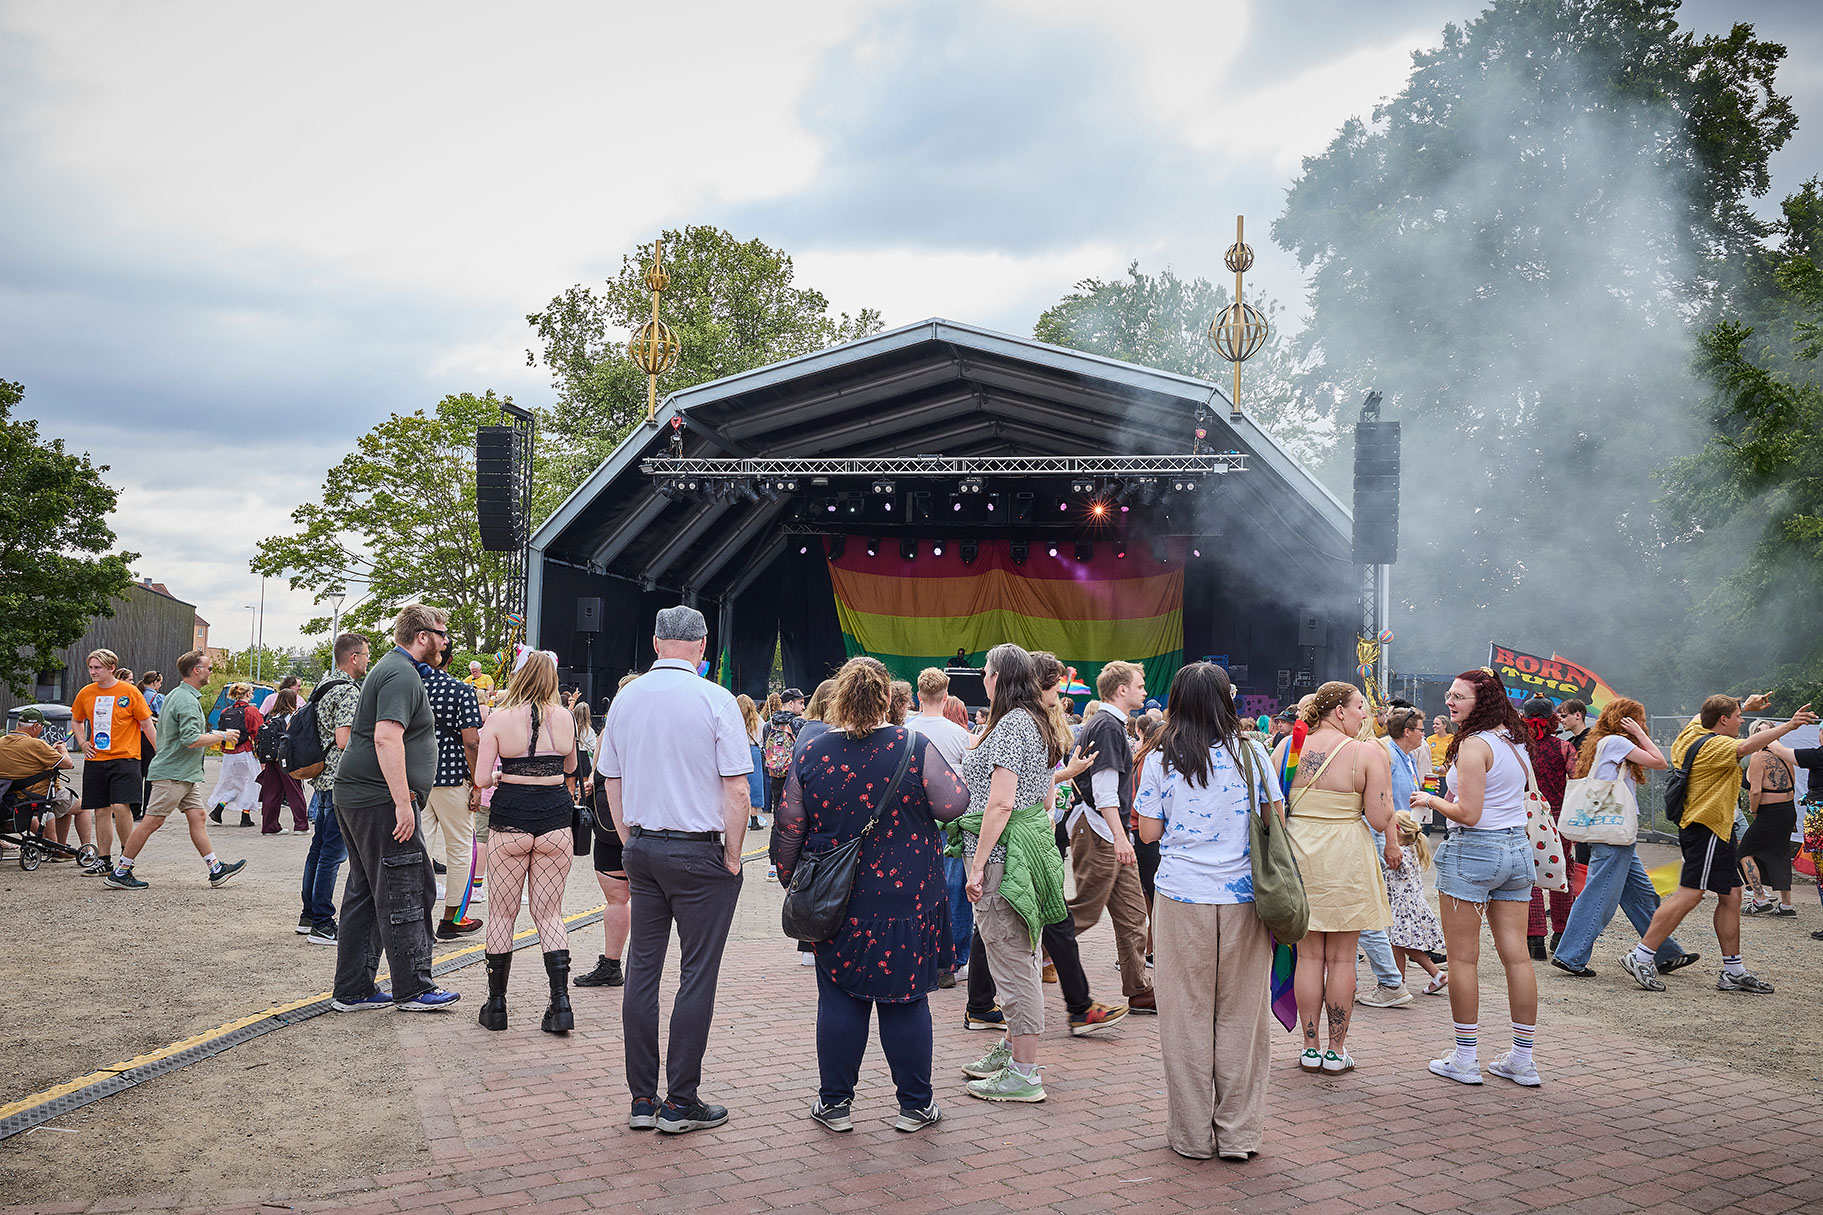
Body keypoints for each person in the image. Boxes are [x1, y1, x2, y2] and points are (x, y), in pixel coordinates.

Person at [773, 657, 968, 1133]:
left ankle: (835, 1105)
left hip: (837, 902)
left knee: (840, 1000)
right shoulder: (912, 746)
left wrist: (792, 879)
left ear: (840, 697)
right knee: (907, 1000)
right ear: (887, 698)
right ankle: (915, 1106)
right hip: (907, 899)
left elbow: (789, 826)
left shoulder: (812, 751)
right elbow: (953, 804)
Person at [599, 606, 753, 1135]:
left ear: (657, 642)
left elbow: (610, 780)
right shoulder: (716, 699)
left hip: (644, 847)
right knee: (696, 974)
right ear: (702, 645)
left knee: (642, 970)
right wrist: (733, 855)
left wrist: (630, 840)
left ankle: (642, 1098)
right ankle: (680, 1101)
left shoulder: (626, 698)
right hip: (698, 851)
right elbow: (737, 788)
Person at [1134, 662, 1280, 1160]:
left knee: (1184, 1015)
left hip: (1181, 896)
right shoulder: (1253, 753)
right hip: (1245, 899)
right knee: (1243, 1015)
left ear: (1176, 702)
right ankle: (1239, 1134)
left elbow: (1149, 832)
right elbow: (1275, 820)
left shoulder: (1161, 757)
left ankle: (1192, 1135)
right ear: (1226, 700)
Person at [1618, 693, 1815, 996]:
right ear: (1723, 720)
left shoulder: (1692, 732)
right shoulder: (1716, 745)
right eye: (1738, 717)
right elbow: (1746, 746)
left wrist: (1743, 705)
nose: (1741, 721)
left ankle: (1733, 971)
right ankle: (1641, 956)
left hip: (1715, 830)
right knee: (1690, 895)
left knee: (1732, 894)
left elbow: (1703, 715)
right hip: (1705, 829)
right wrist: (1789, 725)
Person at [1409, 668, 1544, 1087]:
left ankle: (1465, 1058)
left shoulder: (1474, 744)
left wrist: (1430, 799)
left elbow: (1468, 813)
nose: (1450, 702)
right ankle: (1522, 1059)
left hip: (1474, 849)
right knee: (1517, 957)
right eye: (1449, 695)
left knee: (1463, 959)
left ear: (1481, 701)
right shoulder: (1514, 740)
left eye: (1459, 697)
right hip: (1516, 849)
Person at [328, 605, 462, 1013]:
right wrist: (404, 804)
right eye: (442, 633)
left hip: (360, 796)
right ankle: (414, 987)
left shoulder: (390, 668)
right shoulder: (402, 673)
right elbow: (387, 737)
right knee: (406, 889)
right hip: (379, 799)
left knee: (367, 892)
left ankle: (354, 989)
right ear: (423, 636)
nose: (445, 642)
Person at [956, 643, 1069, 1103]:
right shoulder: (1032, 721)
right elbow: (1041, 798)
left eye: (986, 671)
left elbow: (1001, 804)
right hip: (1025, 852)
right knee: (1019, 954)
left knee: (1012, 959)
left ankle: (1024, 1071)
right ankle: (1012, 1051)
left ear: (998, 678)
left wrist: (977, 865)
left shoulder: (1011, 725)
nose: (982, 677)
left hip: (1004, 859)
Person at [1273, 681, 1394, 1075]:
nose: (1364, 715)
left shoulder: (1287, 747)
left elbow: (1270, 807)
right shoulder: (1366, 752)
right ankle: (1336, 1051)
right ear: (1340, 711)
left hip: (1298, 855)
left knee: (1308, 956)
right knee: (1342, 958)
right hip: (1346, 858)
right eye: (1360, 707)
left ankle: (1309, 1048)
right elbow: (1379, 818)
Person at [1549, 697, 1695, 978]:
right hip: (1612, 832)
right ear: (1625, 721)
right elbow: (1660, 762)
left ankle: (1665, 953)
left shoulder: (1602, 742)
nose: (1643, 724)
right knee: (1599, 896)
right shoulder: (1616, 742)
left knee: (1642, 894)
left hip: (1615, 833)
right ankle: (1570, 955)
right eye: (1639, 720)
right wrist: (1639, 733)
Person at [473, 649, 577, 1032]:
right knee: (550, 913)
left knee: (503, 914)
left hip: (510, 820)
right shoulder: (565, 717)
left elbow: (481, 779)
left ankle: (496, 1006)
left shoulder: (498, 718)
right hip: (555, 819)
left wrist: (501, 776)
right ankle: (560, 1004)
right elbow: (569, 766)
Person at [104, 650, 246, 890]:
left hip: (184, 773)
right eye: (209, 668)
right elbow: (190, 739)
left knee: (198, 816)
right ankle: (121, 871)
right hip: (173, 774)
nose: (211, 672)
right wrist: (223, 735)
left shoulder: (178, 694)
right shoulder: (186, 700)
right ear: (196, 671)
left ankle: (215, 869)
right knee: (152, 822)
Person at [1066, 660, 1156, 1012]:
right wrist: (1120, 837)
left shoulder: (1108, 724)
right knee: (1086, 910)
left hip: (1107, 830)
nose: (1144, 691)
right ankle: (1024, 959)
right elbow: (1104, 791)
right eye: (1139, 686)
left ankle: (1139, 989)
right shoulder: (1107, 726)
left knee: (1133, 914)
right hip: (1100, 830)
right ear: (1122, 690)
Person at [912, 668, 980, 987]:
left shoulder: (905, 731)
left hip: (913, 820)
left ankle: (919, 954)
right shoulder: (961, 736)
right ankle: (954, 959)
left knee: (915, 887)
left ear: (919, 694)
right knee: (954, 888)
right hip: (953, 822)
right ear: (946, 694)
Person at [298, 633, 367, 945]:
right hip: (340, 780)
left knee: (318, 848)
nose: (367, 661)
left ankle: (309, 915)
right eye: (365, 655)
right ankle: (323, 923)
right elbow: (344, 739)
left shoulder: (323, 684)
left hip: (321, 778)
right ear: (353, 657)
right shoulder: (348, 691)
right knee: (333, 853)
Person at [1357, 706, 1428, 1009]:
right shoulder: (1387, 754)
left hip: (1401, 835)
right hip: (1388, 835)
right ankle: (1391, 976)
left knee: (1389, 905)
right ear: (1407, 732)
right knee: (1382, 905)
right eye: (1421, 729)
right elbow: (1383, 801)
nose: (1424, 734)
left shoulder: (1407, 756)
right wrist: (1390, 842)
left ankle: (1391, 977)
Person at [577, 670, 642, 989]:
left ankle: (612, 965)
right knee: (649, 900)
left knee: (617, 900)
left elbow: (598, 772)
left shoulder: (610, 731)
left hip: (610, 826)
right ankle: (641, 970)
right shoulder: (656, 729)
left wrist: (591, 784)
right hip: (649, 827)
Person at [70, 649, 157, 874]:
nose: (92, 672)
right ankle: (104, 859)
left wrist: (160, 752)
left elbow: (147, 724)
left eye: (97, 667)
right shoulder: (86, 693)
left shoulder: (129, 691)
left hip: (125, 758)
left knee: (120, 806)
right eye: (90, 667)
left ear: (111, 668)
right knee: (101, 810)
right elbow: (76, 720)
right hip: (96, 758)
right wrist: (82, 742)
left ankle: (127, 857)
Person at [422, 641, 485, 939]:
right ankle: (452, 919)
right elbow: (471, 742)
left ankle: (416, 917)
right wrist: (477, 783)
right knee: (460, 849)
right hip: (452, 778)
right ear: (449, 660)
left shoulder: (413, 687)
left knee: (419, 849)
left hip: (417, 779)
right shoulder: (461, 690)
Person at [1516, 697, 1580, 959]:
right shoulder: (1565, 748)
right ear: (1552, 719)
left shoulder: (1516, 748)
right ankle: (1561, 934)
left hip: (1524, 818)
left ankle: (1534, 939)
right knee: (1561, 873)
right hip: (1557, 819)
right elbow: (1577, 781)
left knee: (1529, 875)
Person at [1741, 720, 1801, 916]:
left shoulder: (1758, 757)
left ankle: (1760, 899)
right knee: (1780, 854)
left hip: (1769, 812)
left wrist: (1753, 811)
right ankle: (1786, 905)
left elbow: (1755, 791)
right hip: (1787, 810)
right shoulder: (1785, 755)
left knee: (1744, 852)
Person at [1383, 811, 1448, 994]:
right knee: (1400, 945)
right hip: (1411, 906)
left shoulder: (1399, 855)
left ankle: (1400, 983)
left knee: (1398, 945)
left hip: (1402, 908)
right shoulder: (1412, 849)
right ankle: (1406, 980)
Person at [0, 708, 76, 844]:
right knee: (81, 807)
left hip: (8, 794)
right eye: (42, 726)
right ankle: (79, 848)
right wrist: (63, 750)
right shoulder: (36, 744)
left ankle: (54, 842)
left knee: (60, 805)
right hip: (37, 794)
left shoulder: (2, 742)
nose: (41, 730)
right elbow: (68, 764)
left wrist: (50, 750)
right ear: (35, 726)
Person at [255, 687, 310, 833]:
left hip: (271, 759)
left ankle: (269, 826)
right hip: (287, 759)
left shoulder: (271, 717)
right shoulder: (293, 716)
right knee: (295, 791)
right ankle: (301, 825)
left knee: (271, 792)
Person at [207, 684, 262, 829]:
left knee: (231, 783)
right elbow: (258, 732)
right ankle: (245, 816)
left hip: (229, 753)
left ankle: (218, 809)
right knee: (250, 783)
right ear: (248, 694)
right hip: (246, 752)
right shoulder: (252, 711)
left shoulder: (226, 711)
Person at [760, 689, 804, 827]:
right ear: (791, 703)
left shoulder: (769, 724)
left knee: (778, 813)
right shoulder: (799, 724)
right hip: (794, 776)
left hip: (775, 774)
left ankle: (776, 839)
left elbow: (766, 749)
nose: (803, 707)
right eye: (801, 703)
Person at [738, 694, 766, 831]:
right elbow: (763, 737)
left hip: (738, 751)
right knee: (754, 785)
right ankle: (754, 819)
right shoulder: (758, 720)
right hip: (754, 751)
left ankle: (738, 818)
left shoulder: (734, 719)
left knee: (738, 783)